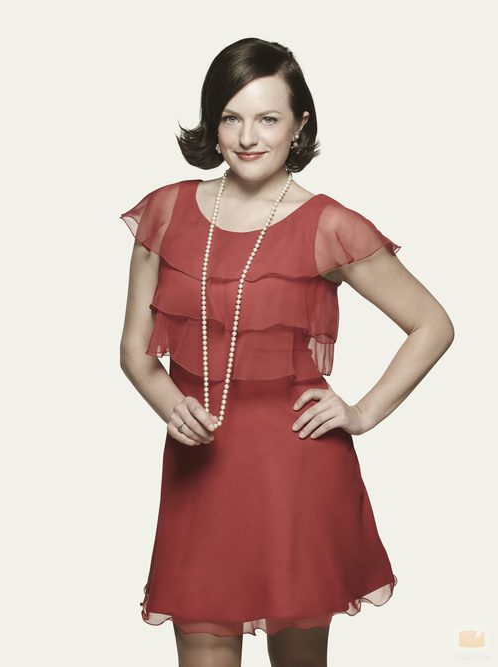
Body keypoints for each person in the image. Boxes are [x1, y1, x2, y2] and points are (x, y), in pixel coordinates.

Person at [118, 37, 454, 667]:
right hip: (197, 471)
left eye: (268, 118)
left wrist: (363, 412)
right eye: (231, 117)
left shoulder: (329, 223)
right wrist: (169, 403)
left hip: (296, 469)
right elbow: (135, 351)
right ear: (213, 121)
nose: (248, 137)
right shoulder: (164, 210)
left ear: (300, 125)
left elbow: (432, 324)